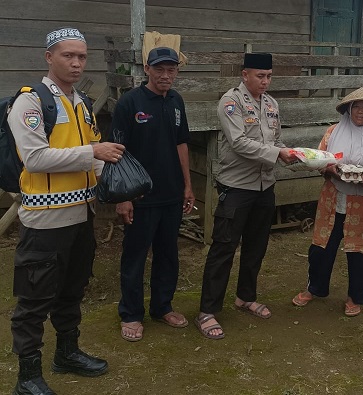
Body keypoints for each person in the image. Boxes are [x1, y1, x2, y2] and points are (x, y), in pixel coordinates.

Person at [7, 28, 125, 394]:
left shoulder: (82, 102)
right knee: (34, 301)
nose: (76, 63)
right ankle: (27, 376)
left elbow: (95, 154)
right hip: (45, 221)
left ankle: (67, 353)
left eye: (82, 57)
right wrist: (95, 152)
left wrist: (123, 192)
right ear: (49, 57)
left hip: (81, 216)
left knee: (72, 291)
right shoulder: (30, 102)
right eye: (67, 56)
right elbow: (36, 158)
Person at [195, 52, 297, 339]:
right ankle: (207, 311)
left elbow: (274, 140)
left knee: (256, 246)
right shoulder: (231, 102)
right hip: (237, 188)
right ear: (245, 75)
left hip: (265, 186)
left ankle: (245, 297)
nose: (265, 82)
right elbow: (239, 143)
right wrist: (278, 154)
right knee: (223, 248)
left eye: (269, 76)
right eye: (260, 76)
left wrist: (292, 152)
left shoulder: (272, 103)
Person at [111, 47, 195, 342]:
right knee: (134, 257)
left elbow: (181, 143)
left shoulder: (176, 101)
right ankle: (131, 313)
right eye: (159, 69)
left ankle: (162, 307)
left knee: (168, 254)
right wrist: (123, 196)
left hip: (171, 194)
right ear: (147, 69)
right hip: (140, 197)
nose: (165, 75)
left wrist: (187, 185)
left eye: (171, 70)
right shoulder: (130, 102)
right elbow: (116, 152)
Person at [291, 86, 363, 317]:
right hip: (333, 198)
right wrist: (332, 170)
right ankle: (314, 289)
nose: (360, 111)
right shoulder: (333, 132)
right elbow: (319, 159)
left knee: (360, 252)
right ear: (348, 110)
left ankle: (354, 297)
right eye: (355, 106)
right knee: (321, 247)